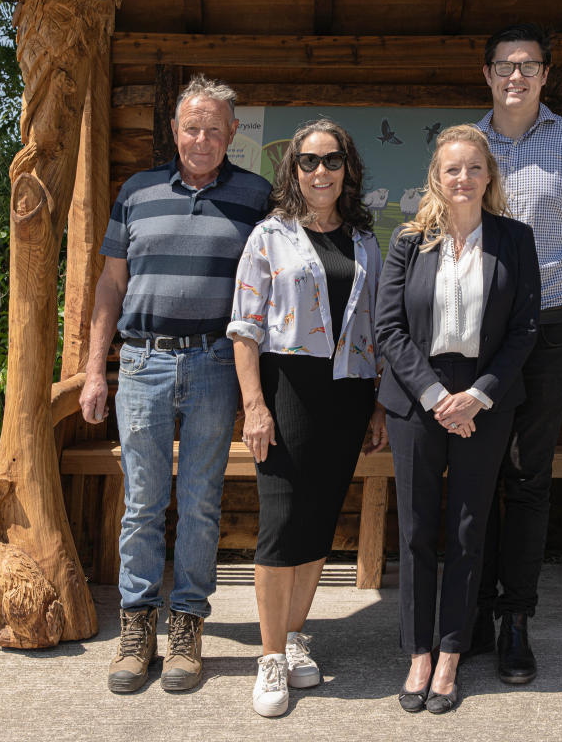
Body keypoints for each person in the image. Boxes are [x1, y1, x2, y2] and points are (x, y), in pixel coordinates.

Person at [79, 75, 270, 695]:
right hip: (142, 364)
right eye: (193, 127)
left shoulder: (255, 196)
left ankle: (186, 627)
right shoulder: (136, 192)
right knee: (141, 503)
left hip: (217, 364)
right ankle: (137, 632)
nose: (203, 138)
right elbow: (110, 285)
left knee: (200, 503)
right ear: (175, 130)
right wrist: (92, 370)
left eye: (216, 128)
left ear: (232, 134)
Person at [375, 124, 540, 714]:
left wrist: (478, 395)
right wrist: (432, 395)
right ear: (436, 179)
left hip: (484, 398)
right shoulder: (409, 241)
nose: (463, 178)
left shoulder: (515, 241)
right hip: (418, 397)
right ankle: (418, 651)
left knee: (470, 530)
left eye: (474, 167)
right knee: (418, 530)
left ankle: (451, 652)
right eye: (452, 169)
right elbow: (388, 327)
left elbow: (524, 329)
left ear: (488, 175)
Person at [228, 119, 388, 718]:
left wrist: (376, 404)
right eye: (309, 161)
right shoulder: (269, 236)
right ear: (292, 170)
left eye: (332, 160)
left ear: (348, 169)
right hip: (286, 386)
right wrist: (254, 405)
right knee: (282, 519)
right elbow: (244, 328)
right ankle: (269, 657)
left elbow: (372, 330)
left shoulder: (366, 242)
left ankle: (295, 638)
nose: (321, 171)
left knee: (320, 518)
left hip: (347, 391)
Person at [471, 24, 562, 683]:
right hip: (474, 337)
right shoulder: (467, 149)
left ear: (546, 76)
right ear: (488, 73)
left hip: (549, 334)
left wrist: (554, 308)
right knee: (476, 471)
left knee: (529, 476)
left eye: (529, 66)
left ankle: (516, 620)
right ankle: (473, 610)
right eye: (506, 65)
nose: (516, 76)